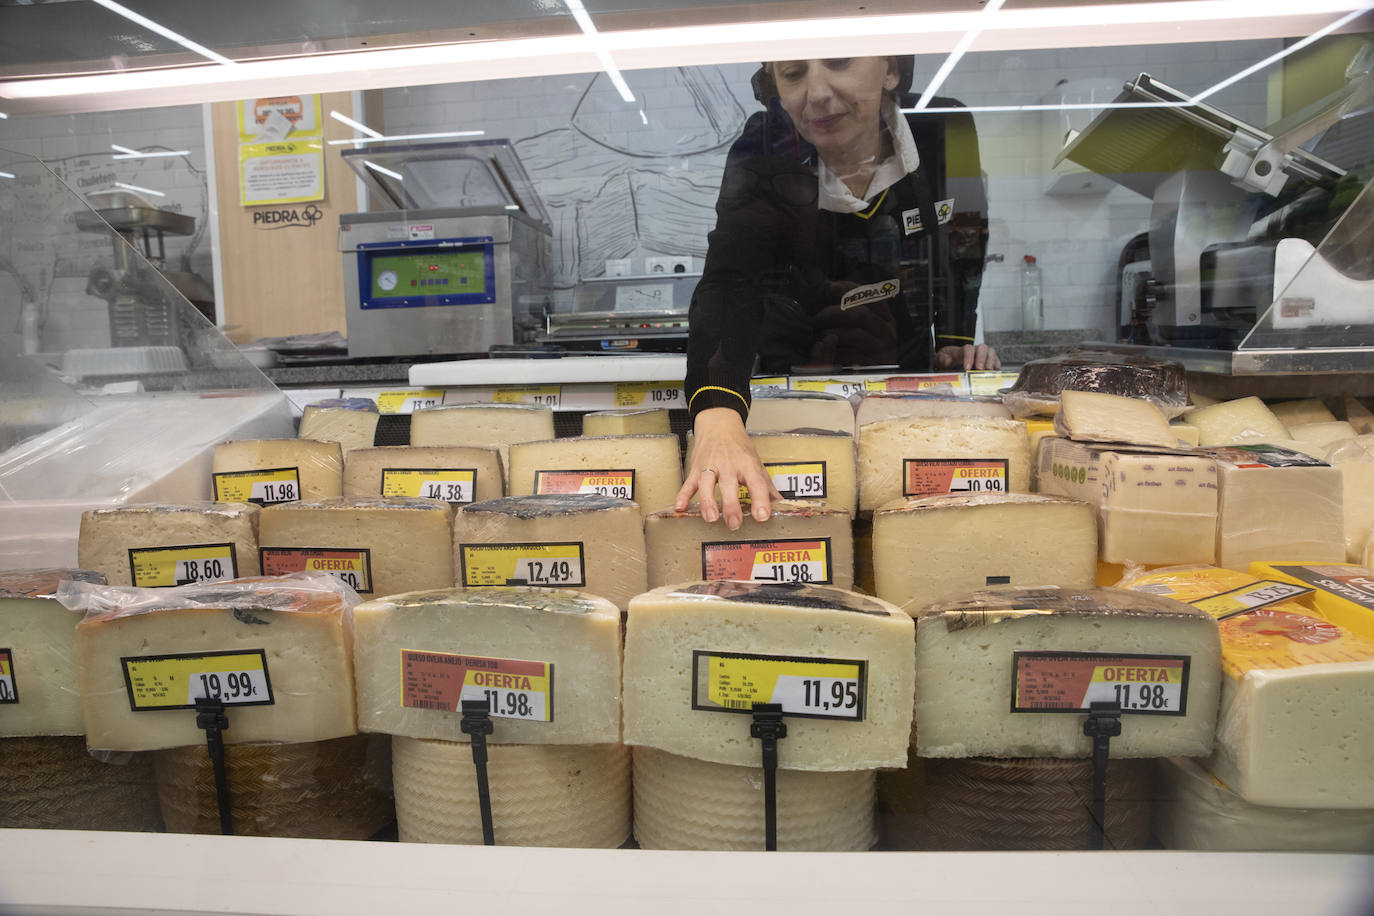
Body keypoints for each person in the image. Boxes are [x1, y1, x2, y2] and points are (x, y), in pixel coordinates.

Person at [677, 56, 998, 529]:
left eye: (840, 63)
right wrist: (718, 411)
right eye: (793, 74)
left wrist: (954, 341)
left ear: (891, 70)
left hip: (904, 366)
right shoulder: (766, 143)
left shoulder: (943, 127)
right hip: (795, 369)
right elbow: (730, 279)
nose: (818, 92)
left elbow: (964, 241)